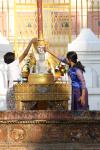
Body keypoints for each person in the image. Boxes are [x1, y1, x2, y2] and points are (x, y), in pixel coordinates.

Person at [4, 38, 37, 110]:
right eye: (15, 56)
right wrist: (31, 42)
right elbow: (25, 54)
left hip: (10, 91)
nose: (16, 58)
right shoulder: (14, 64)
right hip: (15, 90)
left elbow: (9, 82)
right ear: (12, 58)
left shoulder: (8, 67)